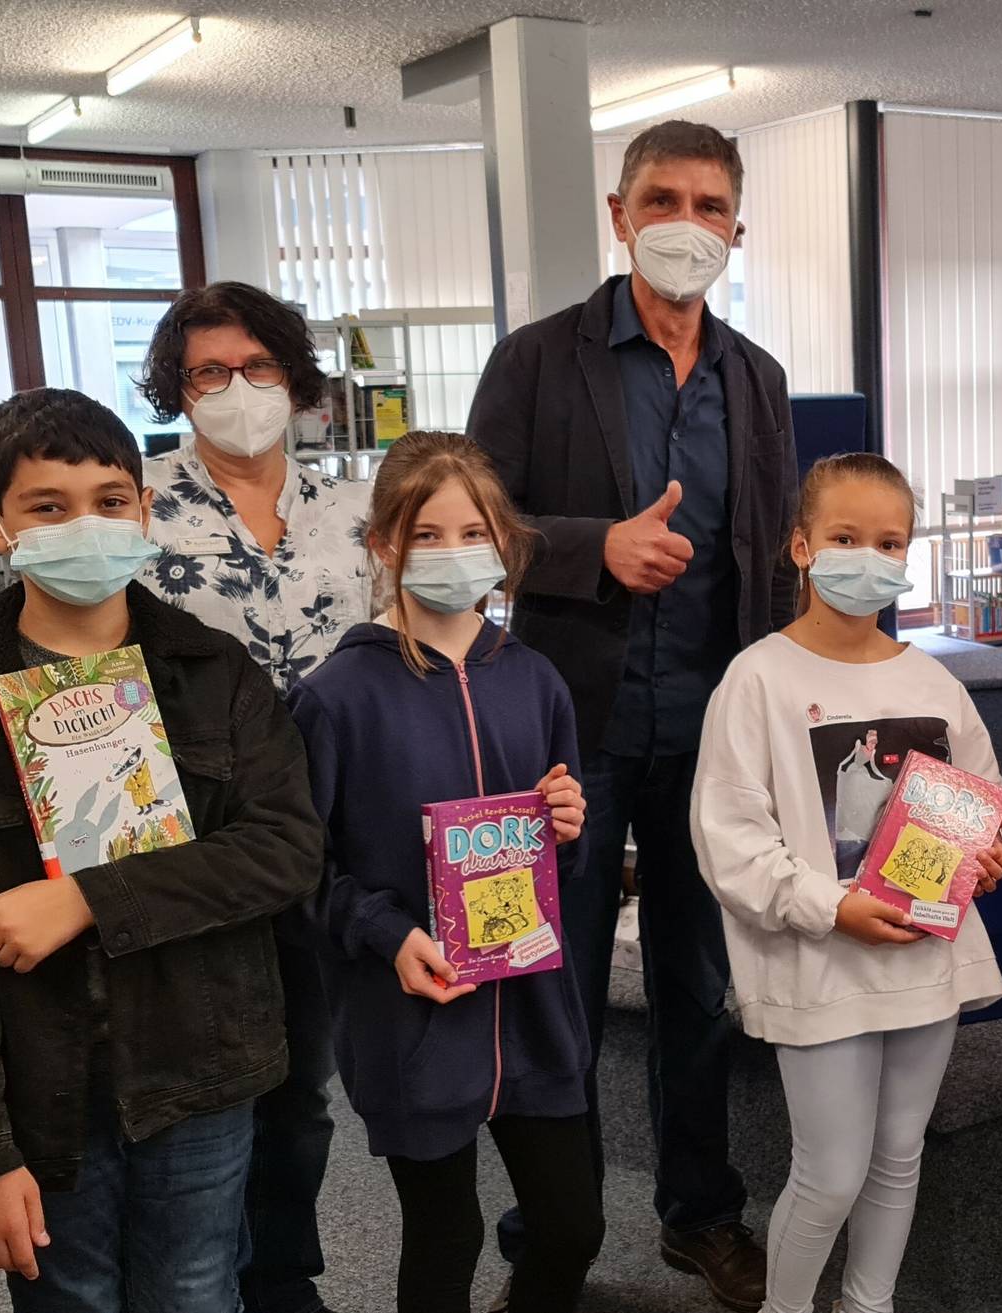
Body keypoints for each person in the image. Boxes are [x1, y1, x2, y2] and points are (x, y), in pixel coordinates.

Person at [0, 388, 324, 1311]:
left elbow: (283, 848)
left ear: (145, 510)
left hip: (201, 1062)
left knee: (197, 1289)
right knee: (70, 1297)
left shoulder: (214, 673)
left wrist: (87, 897)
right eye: (49, 506)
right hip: (40, 1081)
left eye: (111, 501)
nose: (87, 524)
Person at [466, 119, 797, 1311]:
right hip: (569, 728)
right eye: (664, 197)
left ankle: (699, 1213)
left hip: (716, 729)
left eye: (712, 204)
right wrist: (591, 547)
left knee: (698, 987)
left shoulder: (755, 377)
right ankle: (547, 1239)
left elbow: (775, 557)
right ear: (619, 214)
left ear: (736, 229)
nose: (687, 222)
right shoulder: (539, 360)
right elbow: (474, 522)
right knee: (547, 982)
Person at [691, 453, 1002, 1313]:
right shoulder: (757, 678)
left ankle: (867, 1306)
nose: (866, 557)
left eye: (889, 541)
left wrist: (986, 853)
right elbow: (729, 838)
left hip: (923, 960)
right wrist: (830, 903)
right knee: (831, 1173)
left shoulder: (933, 680)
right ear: (801, 546)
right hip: (821, 963)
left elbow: (985, 800)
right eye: (845, 536)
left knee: (897, 1155)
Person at [288, 432, 603, 1313]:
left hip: (535, 1012)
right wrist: (388, 937)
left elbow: (560, 853)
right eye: (427, 534)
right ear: (383, 544)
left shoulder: (535, 680)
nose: (454, 552)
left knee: (573, 1225)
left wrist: (569, 829)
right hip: (413, 1019)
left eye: (475, 531)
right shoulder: (336, 696)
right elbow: (305, 871)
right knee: (447, 1237)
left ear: (504, 541)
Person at [136, 279, 371, 1313]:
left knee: (299, 1088)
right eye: (210, 372)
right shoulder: (134, 506)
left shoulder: (359, 508)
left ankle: (280, 1273)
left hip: (326, 839)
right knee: (204, 1086)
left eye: (259, 365)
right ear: (178, 391)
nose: (239, 388)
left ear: (294, 376)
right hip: (192, 845)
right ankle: (199, 1275)